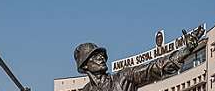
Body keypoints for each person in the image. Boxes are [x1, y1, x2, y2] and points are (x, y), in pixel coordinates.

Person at [74, 27, 204, 91]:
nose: (101, 58)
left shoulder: (123, 77)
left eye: (101, 55)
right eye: (95, 56)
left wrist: (186, 50)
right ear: (85, 65)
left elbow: (154, 68)